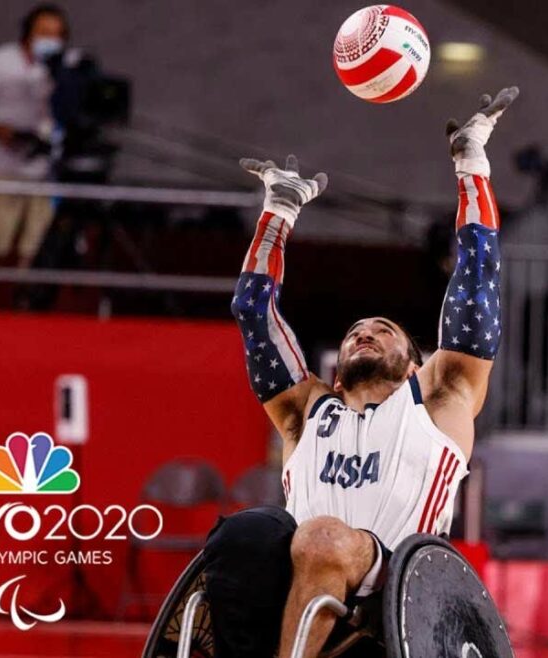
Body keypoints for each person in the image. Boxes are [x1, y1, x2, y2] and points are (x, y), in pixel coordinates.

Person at [202, 87, 518, 658]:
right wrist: (279, 212)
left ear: (415, 363)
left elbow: (477, 284)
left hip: (395, 587)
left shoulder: (440, 399)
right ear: (337, 372)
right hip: (299, 571)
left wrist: (471, 164)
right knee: (244, 531)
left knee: (323, 536)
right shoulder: (308, 413)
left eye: (383, 329)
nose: (365, 332)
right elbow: (253, 312)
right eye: (355, 332)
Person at [0, 4, 66, 309]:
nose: (51, 39)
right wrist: (1, 132)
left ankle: (24, 313)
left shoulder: (62, 70)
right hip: (0, 167)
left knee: (35, 248)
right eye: (44, 32)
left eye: (57, 34)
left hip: (42, 173)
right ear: (27, 33)